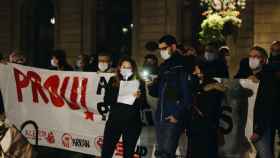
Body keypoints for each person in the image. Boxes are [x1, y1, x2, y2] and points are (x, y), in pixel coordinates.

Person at [149, 35, 192, 158]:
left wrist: (177, 115)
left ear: (173, 47)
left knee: (167, 153)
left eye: (164, 48)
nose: (162, 51)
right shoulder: (163, 66)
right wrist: (150, 85)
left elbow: (187, 95)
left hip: (172, 117)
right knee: (160, 152)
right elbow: (156, 92)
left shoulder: (183, 65)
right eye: (160, 49)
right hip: (160, 116)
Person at [101, 57, 147, 158]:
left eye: (128, 67)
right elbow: (106, 100)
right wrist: (121, 95)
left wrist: (139, 98)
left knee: (128, 154)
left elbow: (143, 105)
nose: (125, 69)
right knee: (106, 152)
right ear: (119, 68)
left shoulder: (140, 82)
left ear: (133, 69)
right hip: (114, 122)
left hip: (132, 123)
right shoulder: (113, 80)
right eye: (123, 67)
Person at [189, 60, 224, 158]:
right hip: (197, 125)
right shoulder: (198, 83)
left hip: (207, 125)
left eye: (197, 69)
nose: (195, 72)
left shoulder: (214, 84)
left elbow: (213, 106)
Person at [251, 41, 280, 158]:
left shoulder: (269, 76)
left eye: (256, 56)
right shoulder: (247, 72)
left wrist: (259, 130)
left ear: (263, 59)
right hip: (250, 124)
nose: (252, 59)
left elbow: (267, 104)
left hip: (264, 123)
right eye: (250, 56)